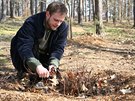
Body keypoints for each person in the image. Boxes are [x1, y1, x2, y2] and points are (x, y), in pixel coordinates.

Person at [10, 1, 68, 84]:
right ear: (48, 14)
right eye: (55, 20)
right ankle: (24, 72)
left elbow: (59, 48)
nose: (58, 24)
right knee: (29, 76)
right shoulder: (31, 23)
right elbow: (25, 46)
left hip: (44, 56)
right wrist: (36, 65)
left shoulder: (63, 27)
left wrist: (53, 64)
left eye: (61, 21)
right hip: (23, 56)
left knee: (49, 76)